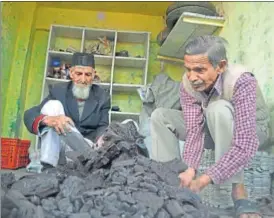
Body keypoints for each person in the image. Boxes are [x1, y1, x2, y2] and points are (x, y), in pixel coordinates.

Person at [150, 35, 270, 218]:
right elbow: (194, 131)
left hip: (252, 131)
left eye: (199, 70)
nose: (192, 77)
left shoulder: (242, 80)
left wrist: (205, 179)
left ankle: (239, 192)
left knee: (218, 109)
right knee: (160, 116)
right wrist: (190, 170)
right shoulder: (187, 84)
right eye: (188, 69)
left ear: (220, 66)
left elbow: (246, 142)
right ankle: (172, 186)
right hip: (213, 128)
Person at [24, 52, 110, 168]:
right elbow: (29, 114)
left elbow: (103, 125)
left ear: (94, 75)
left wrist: (101, 140)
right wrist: (48, 119)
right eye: (79, 73)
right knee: (52, 106)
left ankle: (83, 164)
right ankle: (48, 164)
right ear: (71, 74)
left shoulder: (103, 96)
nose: (83, 79)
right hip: (61, 146)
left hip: (85, 148)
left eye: (88, 75)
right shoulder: (59, 91)